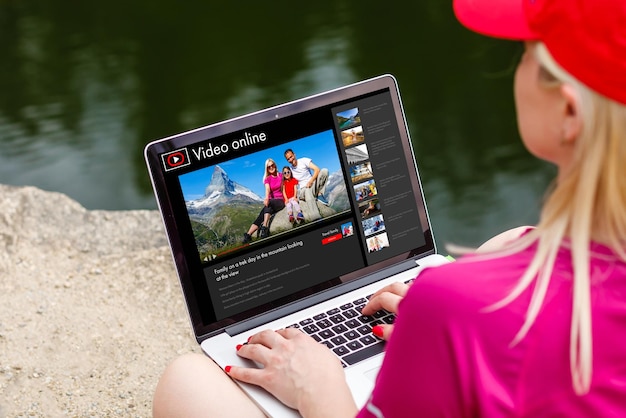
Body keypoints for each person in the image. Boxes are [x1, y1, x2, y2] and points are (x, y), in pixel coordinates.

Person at [153, 0, 626, 416]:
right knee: (513, 239)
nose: (516, 68)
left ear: (568, 113)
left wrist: (319, 386)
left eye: (526, 52)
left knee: (188, 383)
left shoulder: (449, 302)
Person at [243, 158, 285, 243]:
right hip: (271, 203)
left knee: (269, 203)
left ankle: (265, 226)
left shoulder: (281, 175)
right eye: (269, 167)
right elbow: (267, 189)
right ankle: (248, 235)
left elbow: (284, 188)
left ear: (275, 165)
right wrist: (266, 198)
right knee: (261, 215)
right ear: (267, 169)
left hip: (280, 200)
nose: (271, 167)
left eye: (272, 165)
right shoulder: (267, 179)